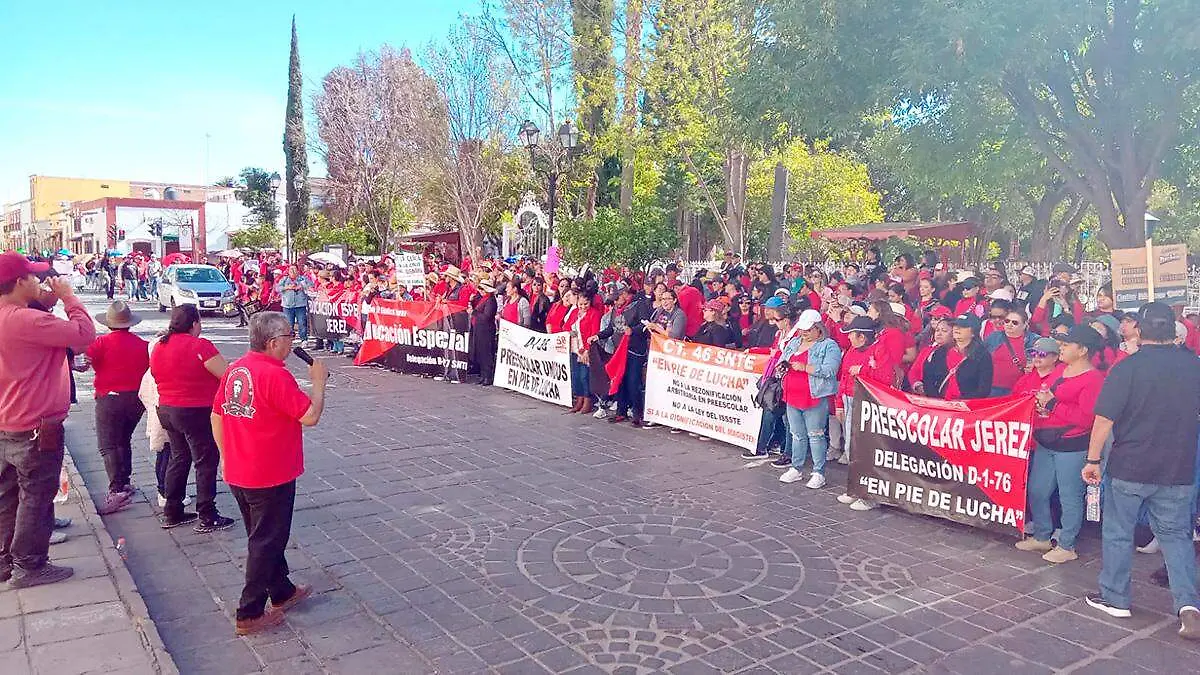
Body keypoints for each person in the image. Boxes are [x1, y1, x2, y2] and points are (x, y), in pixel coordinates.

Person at [1082, 302, 1200, 639]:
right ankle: (1188, 605)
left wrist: (1092, 461)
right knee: (1176, 537)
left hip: (1130, 465)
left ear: (1141, 331)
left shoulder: (1127, 368)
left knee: (1118, 531)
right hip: (1177, 467)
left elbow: (1104, 419)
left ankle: (1116, 597)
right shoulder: (1195, 366)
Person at [211, 312, 328, 635]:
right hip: (269, 472)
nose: (293, 342)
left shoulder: (236, 369)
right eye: (290, 337)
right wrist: (318, 382)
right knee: (266, 541)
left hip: (239, 467)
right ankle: (249, 612)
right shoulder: (275, 376)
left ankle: (282, 590)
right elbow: (310, 415)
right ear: (274, 342)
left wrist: (225, 455)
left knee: (263, 536)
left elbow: (217, 415)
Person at [0, 252, 95, 587]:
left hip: (7, 422)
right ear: (19, 283)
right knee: (37, 496)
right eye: (32, 277)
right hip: (34, 426)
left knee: (8, 496)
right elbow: (83, 335)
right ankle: (30, 565)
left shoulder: (16, 317)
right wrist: (69, 297)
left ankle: (4, 560)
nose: (38, 281)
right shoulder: (22, 320)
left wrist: (48, 302)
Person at [1015, 325, 1105, 564]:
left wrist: (1052, 405)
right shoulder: (1061, 371)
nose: (1061, 348)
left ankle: (1067, 544)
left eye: (1066, 345)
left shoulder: (1093, 378)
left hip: (1071, 445)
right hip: (1046, 440)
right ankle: (1043, 534)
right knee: (1037, 489)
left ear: (1083, 350)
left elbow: (1087, 418)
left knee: (1069, 496)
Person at [150, 304, 235, 532]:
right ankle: (207, 514)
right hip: (195, 410)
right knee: (205, 461)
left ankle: (172, 510)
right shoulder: (200, 345)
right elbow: (225, 375)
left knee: (179, 458)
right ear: (194, 323)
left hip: (167, 408)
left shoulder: (160, 345)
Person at [85, 301, 150, 514]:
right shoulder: (142, 344)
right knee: (124, 439)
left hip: (109, 398)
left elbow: (85, 363)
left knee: (108, 444)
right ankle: (124, 481)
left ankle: (116, 489)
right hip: (136, 400)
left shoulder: (101, 343)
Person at [778, 309, 842, 489]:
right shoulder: (795, 342)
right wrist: (782, 367)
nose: (803, 333)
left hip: (814, 395)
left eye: (808, 330)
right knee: (797, 434)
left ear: (818, 329)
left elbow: (831, 370)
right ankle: (796, 468)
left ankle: (818, 472)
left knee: (815, 435)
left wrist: (806, 367)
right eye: (802, 329)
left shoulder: (829, 345)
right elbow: (782, 358)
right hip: (792, 394)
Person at [922, 314, 993, 399]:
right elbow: (928, 379)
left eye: (963, 326)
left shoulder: (982, 356)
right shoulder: (940, 352)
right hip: (939, 404)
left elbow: (983, 390)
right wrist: (936, 399)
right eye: (955, 325)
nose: (956, 329)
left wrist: (959, 402)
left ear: (973, 332)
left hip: (965, 407)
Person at [985, 308, 1037, 395]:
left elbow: (1044, 358)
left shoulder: (1034, 340)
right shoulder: (994, 337)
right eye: (1007, 321)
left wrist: (1033, 364)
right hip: (991, 387)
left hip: (1018, 389)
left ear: (1024, 325)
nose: (1009, 324)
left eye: (1015, 322)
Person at [469, 279, 499, 386]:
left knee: (486, 353)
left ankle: (487, 376)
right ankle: (483, 375)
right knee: (481, 352)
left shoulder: (490, 300)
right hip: (480, 328)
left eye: (482, 289)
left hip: (486, 330)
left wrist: (474, 313)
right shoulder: (484, 299)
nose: (480, 291)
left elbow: (487, 316)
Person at [275, 265, 314, 343]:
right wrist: (287, 287)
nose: (292, 271)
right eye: (291, 270)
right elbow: (277, 288)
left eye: (294, 269)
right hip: (287, 305)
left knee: (302, 322)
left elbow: (311, 286)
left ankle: (304, 339)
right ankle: (290, 338)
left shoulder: (303, 278)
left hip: (300, 304)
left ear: (298, 271)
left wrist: (302, 286)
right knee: (289, 323)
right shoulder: (284, 279)